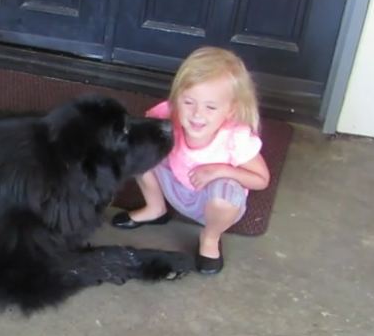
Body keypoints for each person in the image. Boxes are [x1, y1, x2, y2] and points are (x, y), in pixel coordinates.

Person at [112, 46, 270, 274]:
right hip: (176, 186)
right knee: (141, 147)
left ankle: (210, 237)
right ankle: (155, 208)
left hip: (213, 204)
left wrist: (220, 170)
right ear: (177, 98)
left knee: (225, 195)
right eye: (188, 102)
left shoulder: (235, 137)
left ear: (231, 110)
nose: (197, 114)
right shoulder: (168, 117)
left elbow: (261, 179)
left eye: (210, 107)